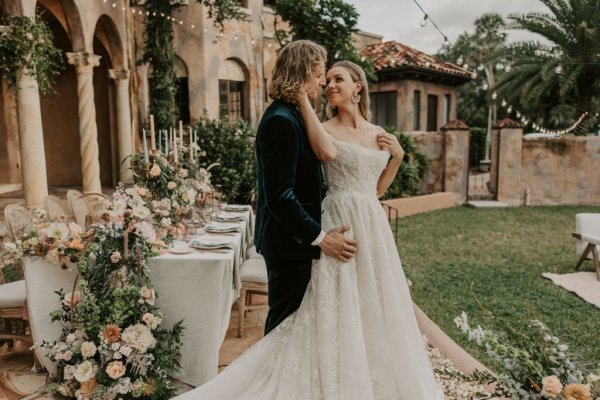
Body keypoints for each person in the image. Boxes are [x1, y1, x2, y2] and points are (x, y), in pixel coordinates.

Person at [172, 51, 444, 399]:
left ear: (358, 87)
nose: (325, 83)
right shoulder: (295, 121)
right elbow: (288, 189)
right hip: (322, 229)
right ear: (304, 76)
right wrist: (320, 237)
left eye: (334, 79)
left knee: (362, 303)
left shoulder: (356, 128)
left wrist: (398, 158)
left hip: (368, 225)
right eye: (321, 76)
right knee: (299, 318)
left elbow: (372, 189)